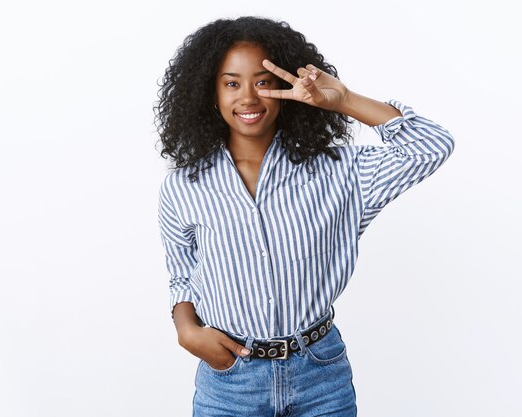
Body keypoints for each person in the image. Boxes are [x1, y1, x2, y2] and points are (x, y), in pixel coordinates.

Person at [154, 16, 455, 417]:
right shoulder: (183, 185)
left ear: (286, 89)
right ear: (210, 93)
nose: (248, 97)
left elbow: (430, 147)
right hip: (230, 380)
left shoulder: (339, 172)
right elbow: (182, 273)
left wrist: (345, 99)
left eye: (262, 82)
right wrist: (186, 329)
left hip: (320, 378)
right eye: (231, 83)